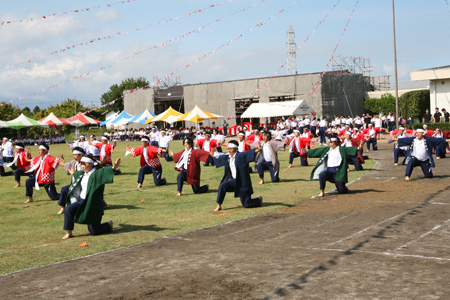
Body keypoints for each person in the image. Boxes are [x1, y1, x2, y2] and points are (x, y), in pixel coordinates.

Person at [61, 155, 121, 240]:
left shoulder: (97, 173)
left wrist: (114, 168)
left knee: (94, 231)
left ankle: (108, 225)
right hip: (81, 200)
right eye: (81, 164)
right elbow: (76, 175)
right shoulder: (82, 173)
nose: (82, 166)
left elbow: (105, 172)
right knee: (68, 209)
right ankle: (69, 232)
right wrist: (72, 173)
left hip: (92, 203)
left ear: (91, 164)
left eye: (84, 164)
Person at [212, 140, 263, 211]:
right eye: (228, 148)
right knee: (223, 185)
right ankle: (219, 205)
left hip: (243, 183)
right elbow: (216, 156)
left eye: (231, 148)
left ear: (236, 149)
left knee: (247, 204)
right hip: (234, 181)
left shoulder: (241, 156)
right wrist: (212, 152)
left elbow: (250, 153)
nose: (229, 150)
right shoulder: (228, 157)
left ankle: (258, 200)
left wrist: (258, 149)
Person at [57, 147, 86, 214]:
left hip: (81, 185)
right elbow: (68, 165)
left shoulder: (86, 162)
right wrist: (63, 164)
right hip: (75, 184)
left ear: (81, 155)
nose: (74, 157)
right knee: (64, 190)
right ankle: (62, 208)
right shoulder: (75, 162)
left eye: (75, 155)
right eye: (73, 155)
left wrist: (74, 174)